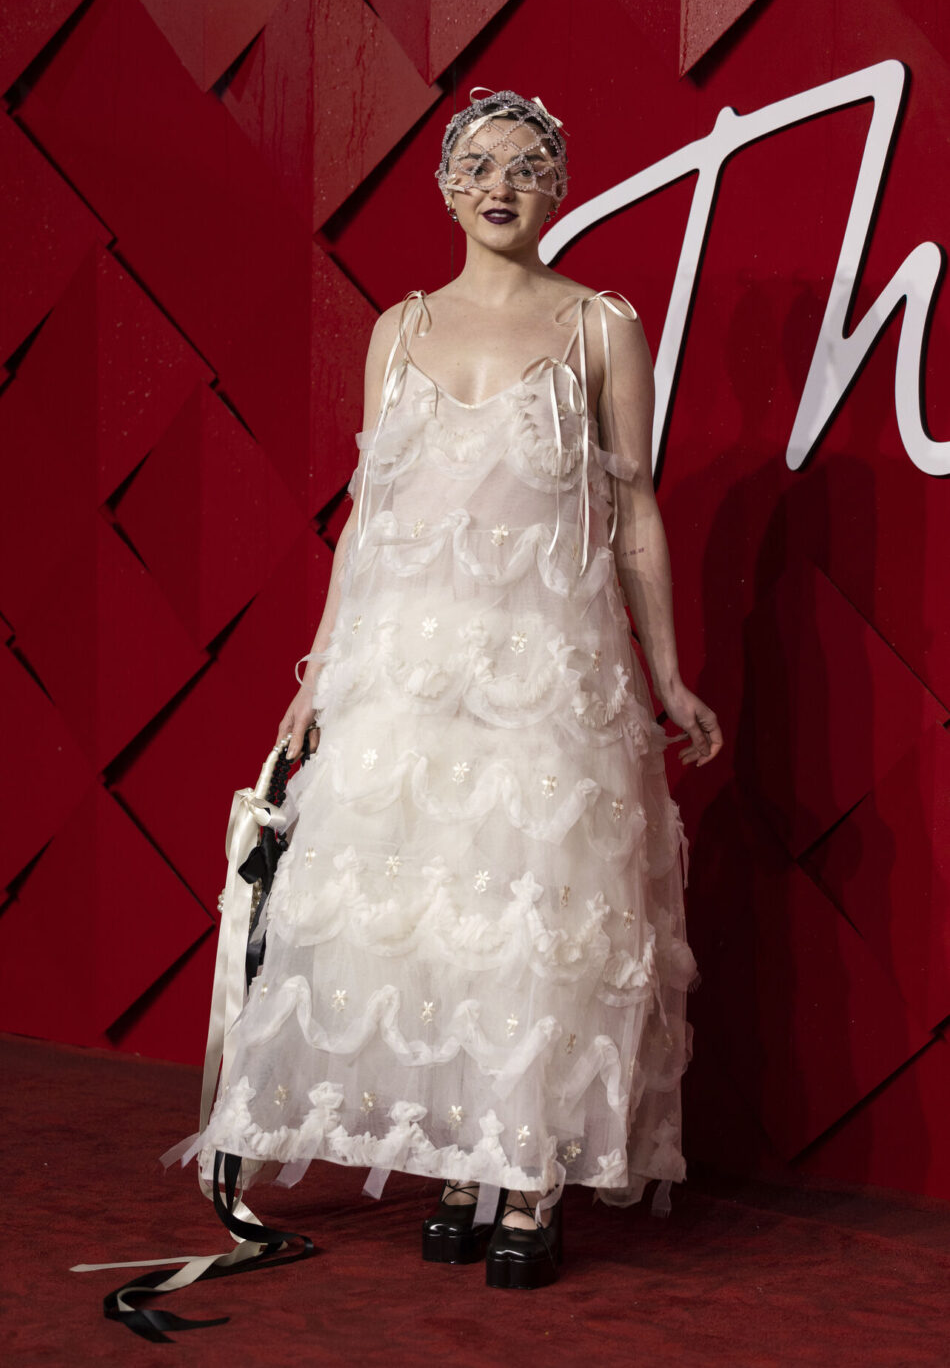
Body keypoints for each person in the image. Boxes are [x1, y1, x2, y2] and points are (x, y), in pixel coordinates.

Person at [162, 86, 722, 1313]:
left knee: (531, 918)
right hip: (408, 676)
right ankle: (467, 1163)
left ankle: (529, 1184)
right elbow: (373, 517)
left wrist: (665, 670)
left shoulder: (597, 327)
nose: (501, 183)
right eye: (479, 164)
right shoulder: (397, 329)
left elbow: (630, 511)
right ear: (445, 187)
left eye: (527, 164)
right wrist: (318, 679)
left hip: (543, 676)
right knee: (430, 916)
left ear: (558, 188)